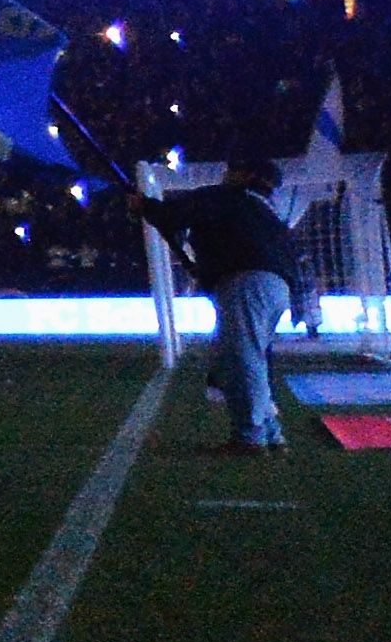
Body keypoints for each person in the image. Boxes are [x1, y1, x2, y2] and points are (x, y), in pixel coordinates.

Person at [119, 154, 306, 450]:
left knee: (243, 360)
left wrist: (146, 207)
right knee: (253, 358)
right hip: (278, 287)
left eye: (235, 168)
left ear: (246, 175)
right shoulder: (268, 213)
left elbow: (176, 214)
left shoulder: (226, 198)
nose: (227, 172)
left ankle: (250, 436)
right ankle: (271, 433)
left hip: (247, 282)